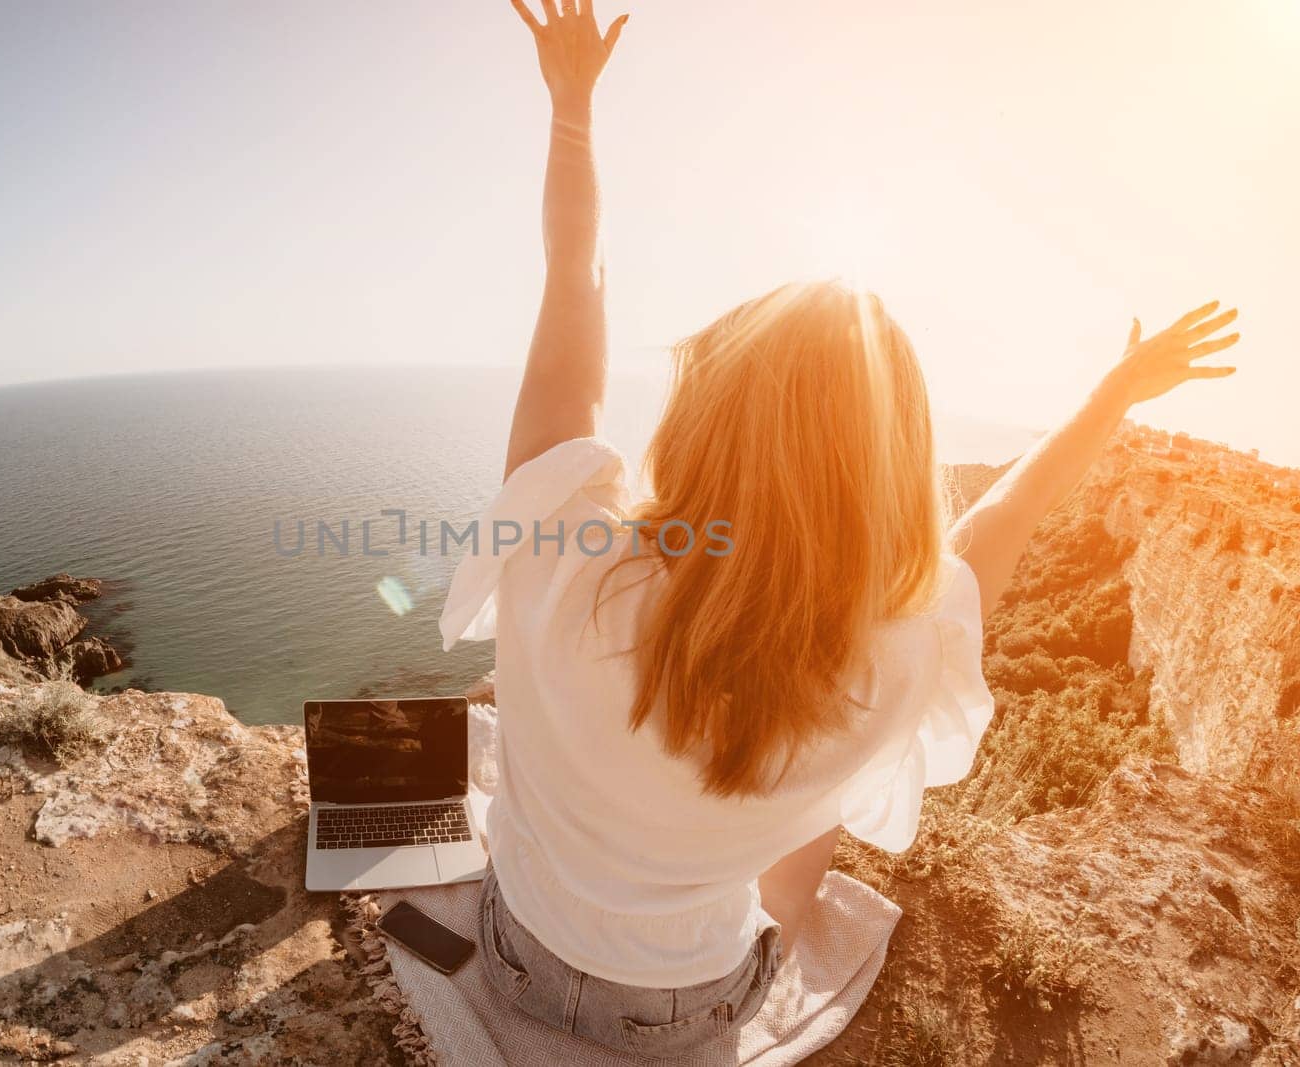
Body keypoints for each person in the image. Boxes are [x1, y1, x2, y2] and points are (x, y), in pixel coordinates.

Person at [438, 1, 1243, 1057]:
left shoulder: (563, 553)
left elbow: (571, 284)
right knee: (811, 798)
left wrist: (574, 109)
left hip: (514, 959)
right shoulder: (890, 658)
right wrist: (1114, 393)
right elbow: (1011, 509)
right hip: (690, 1004)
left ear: (700, 420)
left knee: (493, 757)